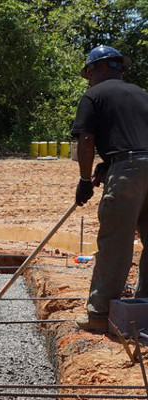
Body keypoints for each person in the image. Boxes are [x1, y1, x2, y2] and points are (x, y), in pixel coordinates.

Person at [72, 44, 148, 333]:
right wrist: (108, 164)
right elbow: (134, 139)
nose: (88, 79)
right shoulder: (142, 94)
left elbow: (86, 139)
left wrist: (83, 179)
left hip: (128, 172)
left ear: (99, 67)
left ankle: (101, 314)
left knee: (116, 241)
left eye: (89, 73)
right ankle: (143, 308)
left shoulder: (94, 95)